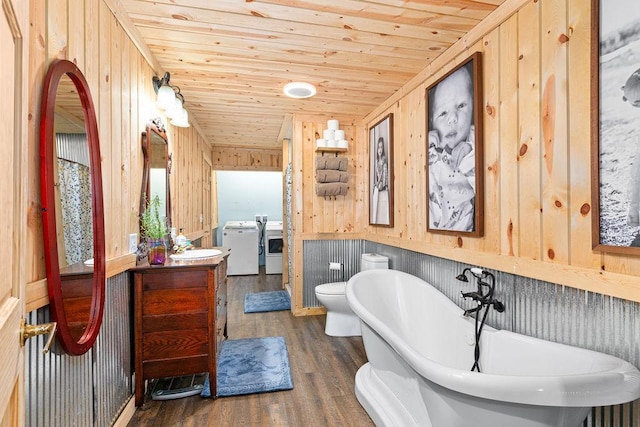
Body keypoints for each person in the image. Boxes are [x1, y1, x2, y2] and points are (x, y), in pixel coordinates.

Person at [428, 63, 476, 231]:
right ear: (432, 121)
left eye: (461, 106)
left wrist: (470, 154)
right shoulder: (429, 149)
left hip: (463, 229)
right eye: (443, 113)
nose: (453, 118)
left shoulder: (475, 140)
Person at [372, 136, 389, 224]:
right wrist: (377, 183)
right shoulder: (376, 161)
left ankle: (382, 186)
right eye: (378, 147)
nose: (380, 149)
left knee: (379, 185)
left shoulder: (383, 160)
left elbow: (383, 174)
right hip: (379, 181)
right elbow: (377, 174)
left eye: (381, 147)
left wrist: (384, 184)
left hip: (382, 181)